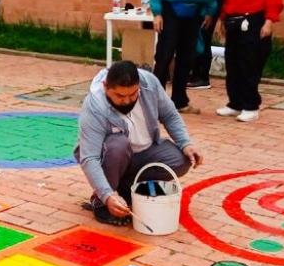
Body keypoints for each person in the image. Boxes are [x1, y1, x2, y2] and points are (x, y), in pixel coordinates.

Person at [77, 60, 203, 226]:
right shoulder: (94, 106)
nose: (128, 101)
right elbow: (90, 158)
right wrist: (106, 195)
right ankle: (100, 202)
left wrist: (186, 143)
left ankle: (125, 187)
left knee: (182, 159)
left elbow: (170, 115)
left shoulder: (149, 83)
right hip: (112, 156)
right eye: (120, 96)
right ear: (106, 86)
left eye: (133, 94)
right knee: (118, 145)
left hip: (145, 151)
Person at [217, 0, 284, 123]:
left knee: (249, 65)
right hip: (233, 22)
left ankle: (251, 105)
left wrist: (269, 21)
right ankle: (235, 103)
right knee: (233, 64)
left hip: (254, 22)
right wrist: (223, 19)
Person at [187, 0, 232, 90]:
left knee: (204, 38)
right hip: (199, 5)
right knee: (197, 38)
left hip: (210, 6)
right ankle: (195, 73)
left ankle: (202, 76)